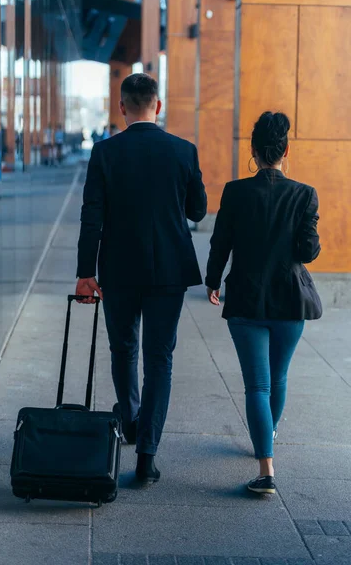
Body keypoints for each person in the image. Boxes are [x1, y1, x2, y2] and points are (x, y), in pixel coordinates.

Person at [76, 73, 207, 484]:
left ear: (121, 108)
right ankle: (147, 455)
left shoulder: (105, 152)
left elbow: (91, 217)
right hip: (169, 272)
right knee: (160, 360)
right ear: (158, 105)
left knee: (123, 349)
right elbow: (199, 211)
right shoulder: (183, 151)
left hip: (118, 270)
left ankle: (130, 422)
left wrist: (85, 273)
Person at [206, 111, 322, 495]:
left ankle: (266, 469)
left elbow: (219, 242)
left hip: (246, 300)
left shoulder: (236, 191)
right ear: (286, 150)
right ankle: (265, 438)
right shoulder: (305, 194)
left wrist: (211, 281)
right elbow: (308, 251)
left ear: (253, 150)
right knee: (279, 378)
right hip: (290, 301)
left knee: (257, 385)